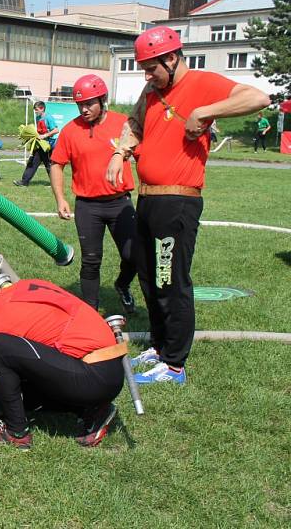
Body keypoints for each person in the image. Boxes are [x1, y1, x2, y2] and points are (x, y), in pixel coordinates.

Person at [105, 26, 270, 384]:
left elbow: (258, 98)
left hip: (177, 200)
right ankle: (160, 346)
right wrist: (120, 153)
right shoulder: (152, 91)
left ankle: (175, 363)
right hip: (148, 197)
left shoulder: (201, 82)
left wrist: (207, 111)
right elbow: (135, 125)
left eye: (152, 68)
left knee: (171, 280)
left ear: (172, 57)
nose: (147, 76)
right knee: (148, 276)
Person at [0, 277, 125, 449]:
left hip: (93, 376)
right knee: (14, 388)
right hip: (109, 368)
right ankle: (91, 408)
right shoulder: (20, 287)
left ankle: (16, 433)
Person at [49, 74, 138, 313]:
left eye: (89, 103)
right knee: (91, 260)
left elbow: (144, 153)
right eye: (80, 105)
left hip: (120, 203)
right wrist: (60, 198)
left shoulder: (123, 123)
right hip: (88, 207)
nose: (84, 109)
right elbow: (56, 164)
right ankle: (90, 311)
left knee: (134, 255)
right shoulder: (70, 131)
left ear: (102, 100)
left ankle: (122, 285)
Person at [14, 101, 59, 186]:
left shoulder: (49, 118)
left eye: (36, 109)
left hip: (48, 146)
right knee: (32, 162)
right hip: (40, 145)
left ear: (42, 108)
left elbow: (56, 130)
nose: (35, 112)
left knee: (49, 165)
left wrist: (45, 135)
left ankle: (55, 184)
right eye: (35, 110)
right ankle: (24, 182)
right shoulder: (38, 118)